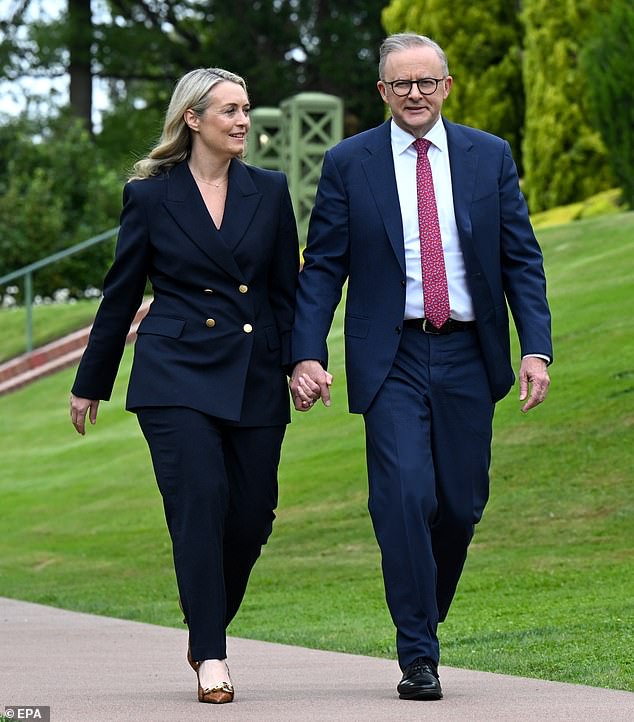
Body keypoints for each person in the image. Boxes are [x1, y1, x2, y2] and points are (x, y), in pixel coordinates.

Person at [290, 33, 552, 701]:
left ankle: (422, 615)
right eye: (400, 84)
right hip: (392, 355)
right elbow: (323, 265)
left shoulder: (488, 155)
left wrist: (535, 346)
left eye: (425, 82)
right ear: (382, 91)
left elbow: (520, 257)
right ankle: (418, 654)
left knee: (460, 505)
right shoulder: (350, 162)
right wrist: (307, 351)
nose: (414, 94)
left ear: (447, 86)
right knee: (405, 498)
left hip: (470, 351)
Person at [70, 67, 299, 704]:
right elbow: (121, 296)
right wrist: (92, 381)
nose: (243, 121)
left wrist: (301, 362)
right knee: (200, 499)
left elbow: (287, 292)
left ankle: (204, 622)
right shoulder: (150, 196)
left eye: (247, 108)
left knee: (252, 516)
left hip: (255, 370)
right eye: (229, 110)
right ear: (192, 119)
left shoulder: (270, 191)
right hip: (175, 371)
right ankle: (214, 656)